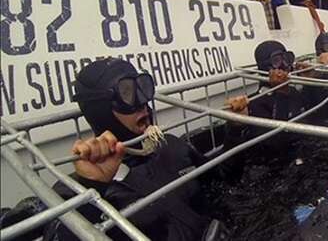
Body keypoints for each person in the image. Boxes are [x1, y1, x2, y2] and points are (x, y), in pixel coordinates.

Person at [43, 58, 227, 240]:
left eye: (141, 88)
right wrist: (92, 187)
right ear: (101, 110)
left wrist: (235, 128)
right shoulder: (76, 191)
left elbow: (225, 179)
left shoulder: (171, 146)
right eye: (127, 93)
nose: (142, 102)